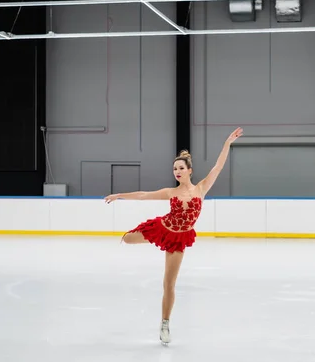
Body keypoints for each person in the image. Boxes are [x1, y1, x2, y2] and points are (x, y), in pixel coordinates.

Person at [104, 127, 243, 345]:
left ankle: (165, 324)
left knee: (168, 284)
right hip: (162, 228)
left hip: (178, 239)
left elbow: (218, 166)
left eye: (180, 168)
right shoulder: (171, 192)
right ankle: (129, 237)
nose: (177, 172)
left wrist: (227, 143)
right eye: (174, 169)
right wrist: (120, 195)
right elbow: (143, 195)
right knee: (128, 239)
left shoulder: (201, 189)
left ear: (190, 170)